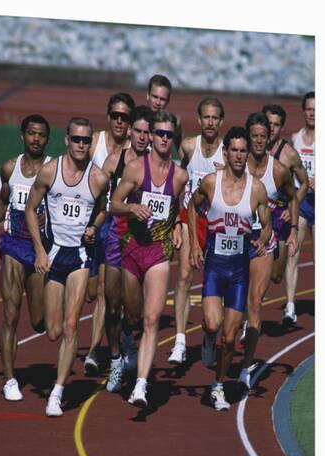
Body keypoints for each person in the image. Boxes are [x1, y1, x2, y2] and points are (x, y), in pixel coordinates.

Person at [25, 117, 109, 417]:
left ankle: (57, 393)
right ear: (66, 140)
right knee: (53, 330)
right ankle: (58, 381)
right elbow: (30, 210)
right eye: (76, 140)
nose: (81, 146)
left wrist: (93, 227)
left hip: (80, 258)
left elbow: (102, 210)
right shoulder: (50, 171)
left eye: (86, 141)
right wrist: (38, 249)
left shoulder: (98, 178)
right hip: (54, 254)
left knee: (72, 325)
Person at [189, 126, 271, 411]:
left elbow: (267, 222)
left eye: (242, 150)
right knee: (213, 325)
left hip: (238, 272)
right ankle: (207, 337)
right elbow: (191, 206)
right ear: (226, 152)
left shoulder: (256, 188)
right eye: (233, 150)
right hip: (214, 267)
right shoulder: (211, 182)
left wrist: (261, 239)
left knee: (230, 338)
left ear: (247, 154)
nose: (238, 155)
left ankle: (218, 385)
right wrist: (197, 244)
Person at [110, 110, 188, 406]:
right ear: (151, 136)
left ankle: (141, 385)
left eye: (169, 134)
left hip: (158, 251)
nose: (164, 139)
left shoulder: (179, 176)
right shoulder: (134, 169)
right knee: (133, 314)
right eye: (160, 133)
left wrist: (179, 227)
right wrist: (132, 209)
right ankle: (129, 339)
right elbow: (115, 203)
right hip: (132, 249)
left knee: (152, 319)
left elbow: (180, 206)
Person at [0, 114, 51, 401]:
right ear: (22, 136)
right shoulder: (10, 168)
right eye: (31, 133)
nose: (36, 138)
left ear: (47, 139)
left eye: (41, 134)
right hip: (11, 245)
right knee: (10, 314)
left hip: (38, 250)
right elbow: (3, 203)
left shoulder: (52, 170)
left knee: (39, 323)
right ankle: (10, 379)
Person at [238, 112, 298, 388]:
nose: (260, 140)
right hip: (236, 241)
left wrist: (293, 226)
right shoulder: (237, 165)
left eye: (263, 136)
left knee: (255, 301)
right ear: (248, 139)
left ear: (268, 138)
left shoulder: (278, 170)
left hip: (264, 242)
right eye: (255, 136)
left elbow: (294, 196)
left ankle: (246, 367)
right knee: (231, 308)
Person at [168, 96, 225, 364]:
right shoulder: (189, 147)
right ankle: (180, 340)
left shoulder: (228, 152)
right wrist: (178, 223)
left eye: (215, 117)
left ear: (221, 121)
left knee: (217, 285)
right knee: (184, 276)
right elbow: (179, 183)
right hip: (191, 219)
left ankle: (210, 336)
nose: (210, 122)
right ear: (199, 120)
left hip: (217, 225)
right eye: (206, 117)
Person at [83, 92, 136, 375]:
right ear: (108, 117)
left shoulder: (135, 148)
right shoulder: (94, 144)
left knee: (107, 291)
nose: (119, 121)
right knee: (92, 293)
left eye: (124, 117)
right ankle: (121, 336)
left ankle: (95, 351)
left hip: (121, 227)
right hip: (93, 220)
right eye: (115, 115)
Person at [100, 105, 153, 387]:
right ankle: (115, 360)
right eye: (139, 131)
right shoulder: (114, 161)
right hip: (115, 237)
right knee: (111, 306)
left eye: (148, 132)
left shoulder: (157, 165)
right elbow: (100, 197)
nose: (143, 137)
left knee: (136, 311)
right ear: (130, 131)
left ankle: (131, 340)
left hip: (144, 240)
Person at [262, 103, 309, 285]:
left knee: (276, 276)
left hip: (279, 216)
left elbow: (304, 182)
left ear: (282, 127)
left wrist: (293, 207)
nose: (271, 128)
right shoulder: (253, 147)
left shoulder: (289, 154)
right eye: (268, 123)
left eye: (276, 124)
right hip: (256, 213)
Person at [283, 92, 315, 326]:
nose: (313, 113)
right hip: (301, 201)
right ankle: (291, 306)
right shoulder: (295, 139)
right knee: (292, 251)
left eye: (317, 109)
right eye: (309, 109)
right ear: (303, 112)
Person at [146, 74, 182, 150]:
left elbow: (182, 154)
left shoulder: (173, 124)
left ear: (168, 101)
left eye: (162, 99)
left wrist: (178, 132)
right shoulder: (137, 120)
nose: (158, 102)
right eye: (155, 97)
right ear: (148, 95)